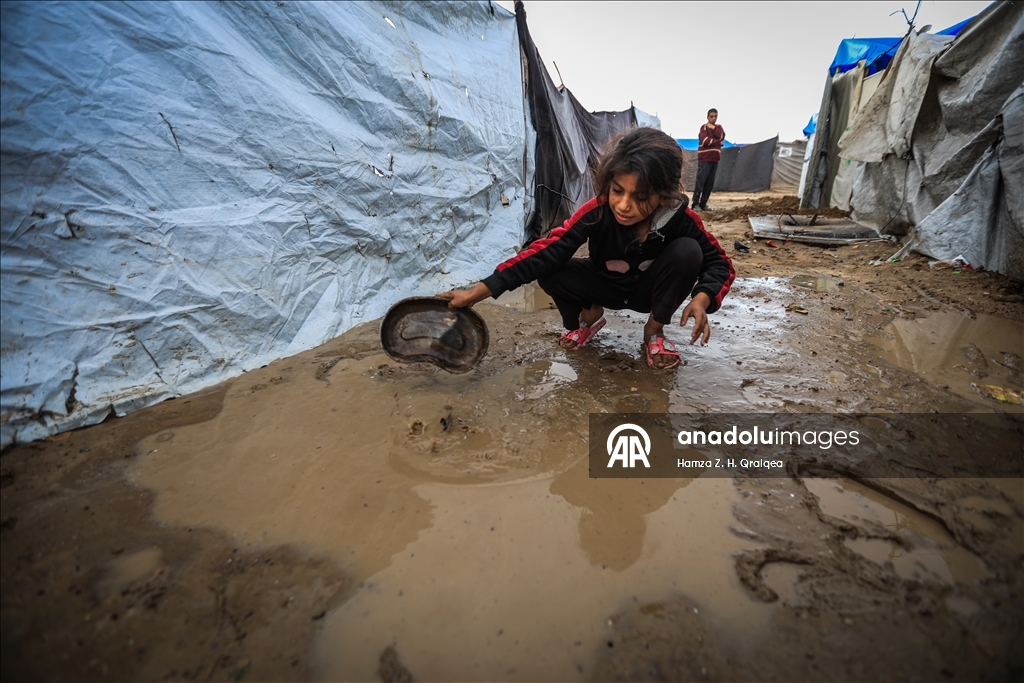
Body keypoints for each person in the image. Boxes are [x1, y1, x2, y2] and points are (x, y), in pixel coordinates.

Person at [439, 127, 734, 370]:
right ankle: (585, 321)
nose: (623, 205)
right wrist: (480, 291)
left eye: (640, 196)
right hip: (604, 285)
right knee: (551, 269)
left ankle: (654, 332)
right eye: (617, 190)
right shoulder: (597, 211)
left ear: (663, 195)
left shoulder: (682, 219)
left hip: (649, 294)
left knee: (688, 252)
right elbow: (547, 250)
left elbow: (720, 264)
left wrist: (703, 298)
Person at [693, 108, 725, 212]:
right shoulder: (703, 128)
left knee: (709, 183)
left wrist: (714, 128)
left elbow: (722, 135)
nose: (713, 118)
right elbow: (706, 141)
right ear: (707, 117)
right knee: (700, 182)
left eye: (715, 116)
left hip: (715, 159)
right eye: (711, 116)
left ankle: (703, 204)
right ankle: (695, 204)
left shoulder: (718, 128)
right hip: (705, 158)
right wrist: (718, 142)